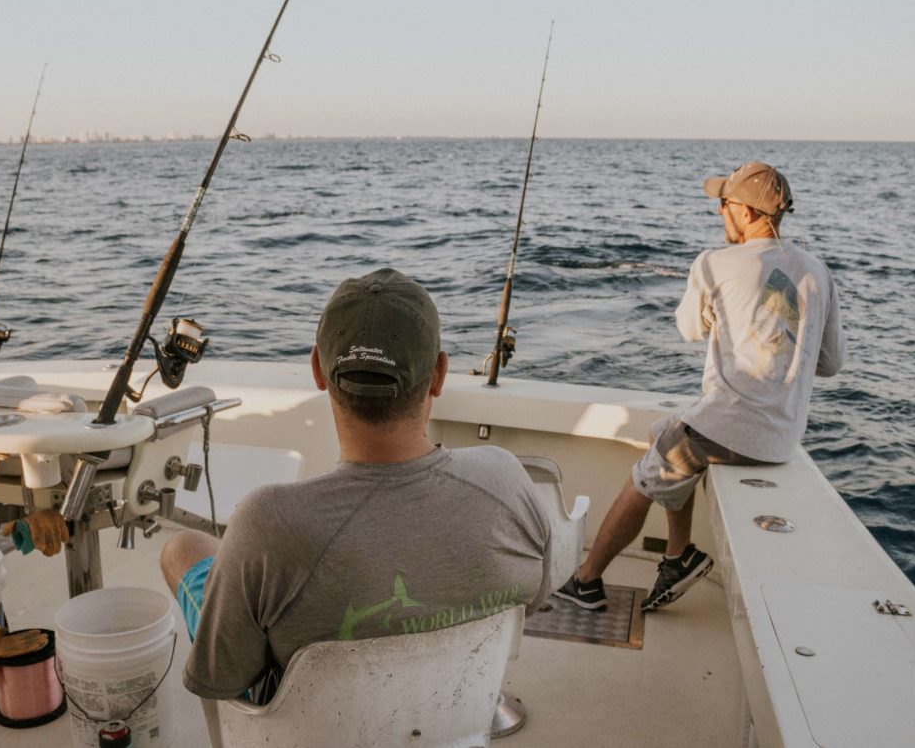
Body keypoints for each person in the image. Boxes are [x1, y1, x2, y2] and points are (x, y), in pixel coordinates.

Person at [162, 267, 552, 703]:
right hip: (455, 719)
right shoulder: (506, 477)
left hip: (308, 730)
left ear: (317, 369)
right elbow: (531, 602)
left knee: (182, 549)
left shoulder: (268, 521)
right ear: (439, 375)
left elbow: (220, 681)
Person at [557, 162, 844, 613]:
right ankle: (678, 555)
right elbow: (829, 363)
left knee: (641, 479)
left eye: (723, 204)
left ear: (746, 213)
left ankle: (586, 582)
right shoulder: (816, 270)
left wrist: (718, 311)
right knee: (663, 432)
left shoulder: (715, 262)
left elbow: (690, 329)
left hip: (731, 428)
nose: (718, 213)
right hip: (782, 437)